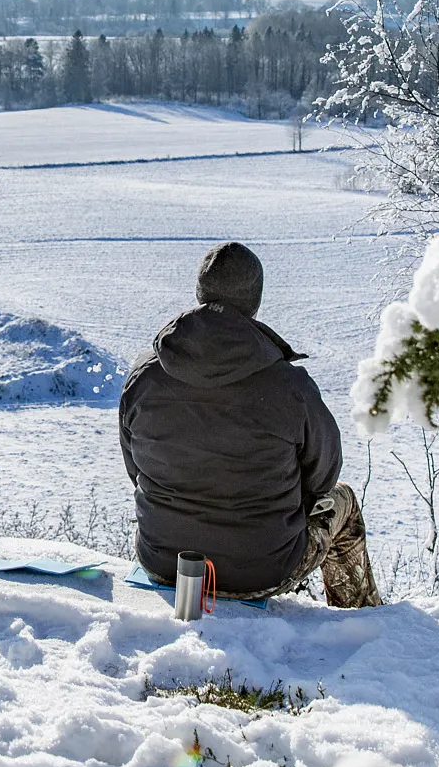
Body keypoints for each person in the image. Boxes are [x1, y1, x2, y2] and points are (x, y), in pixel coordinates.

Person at [119, 242, 378, 608]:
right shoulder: (290, 386)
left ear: (199, 292)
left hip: (165, 563)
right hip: (264, 571)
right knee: (343, 502)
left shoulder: (144, 376)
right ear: (255, 302)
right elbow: (323, 479)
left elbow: (136, 470)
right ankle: (362, 622)